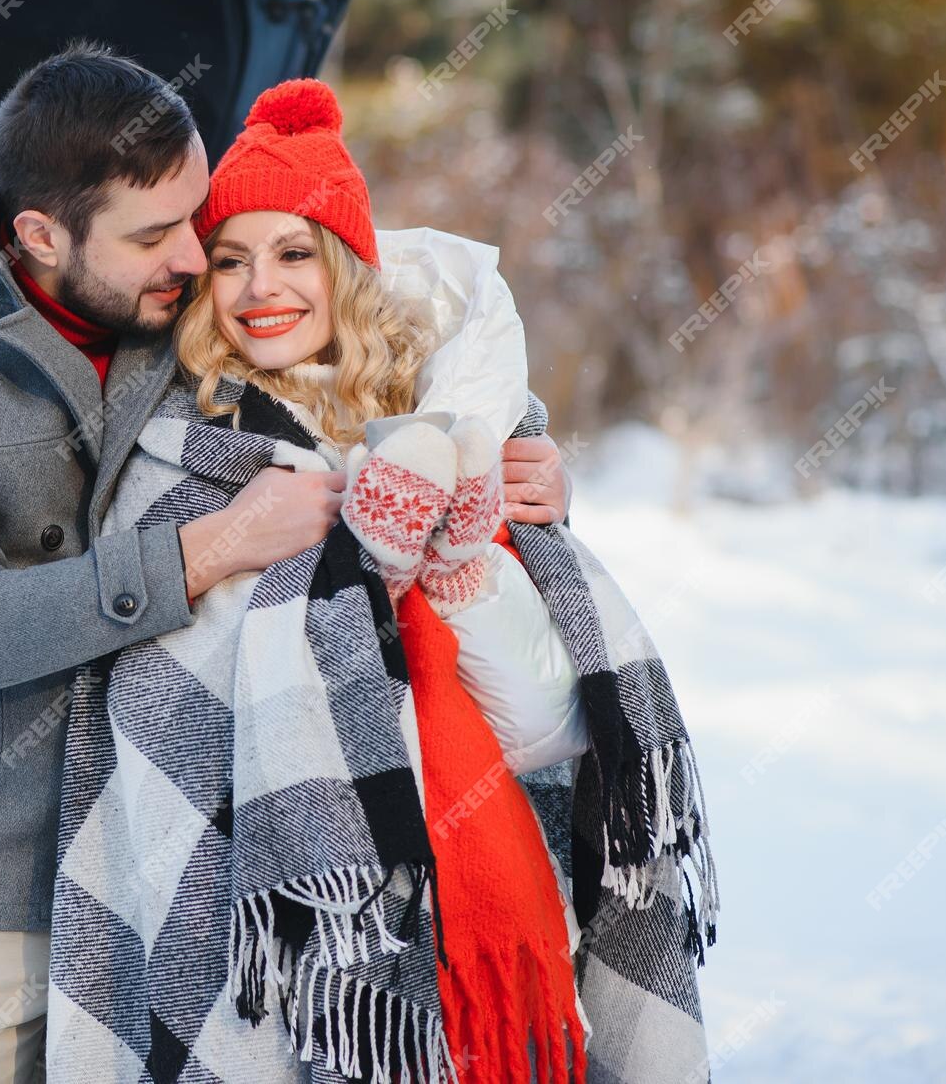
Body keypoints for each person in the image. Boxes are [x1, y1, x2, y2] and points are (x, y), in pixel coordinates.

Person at [0, 44, 572, 1083]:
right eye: (158, 234)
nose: (196, 254)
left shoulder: (184, 300)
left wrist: (507, 447)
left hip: (188, 852)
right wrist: (220, 541)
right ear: (41, 234)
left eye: (196, 217)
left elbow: (385, 325)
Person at [48, 79, 718, 1084]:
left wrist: (457, 558)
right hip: (286, 935)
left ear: (348, 269)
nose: (258, 287)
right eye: (227, 260)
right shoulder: (180, 456)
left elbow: (547, 729)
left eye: (291, 253)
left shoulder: (469, 441)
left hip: (478, 920)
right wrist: (352, 553)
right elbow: (163, 721)